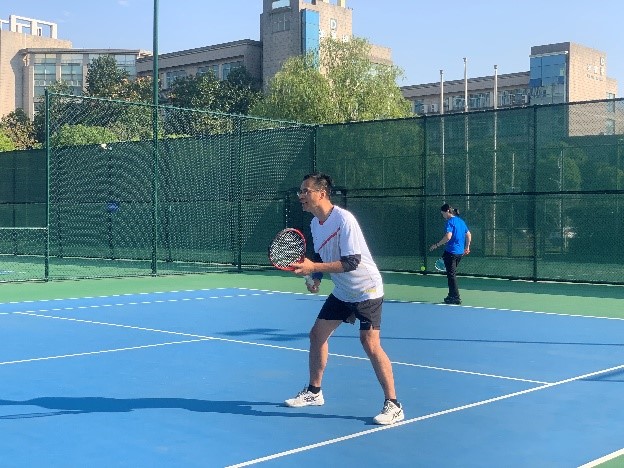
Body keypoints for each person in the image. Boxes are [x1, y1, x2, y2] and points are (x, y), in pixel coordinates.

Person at [284, 172, 404, 426]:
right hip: (342, 291)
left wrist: (313, 267)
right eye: (300, 191)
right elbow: (321, 254)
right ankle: (314, 392)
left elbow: (351, 262)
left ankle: (394, 405)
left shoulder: (344, 220)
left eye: (305, 191)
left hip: (366, 289)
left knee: (369, 343)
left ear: (321, 193)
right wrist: (316, 276)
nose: (301, 196)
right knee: (317, 335)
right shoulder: (315, 224)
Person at [429, 203, 471, 305]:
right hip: (459, 253)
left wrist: (436, 245)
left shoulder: (449, 222)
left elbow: (448, 236)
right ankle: (451, 295)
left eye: (442, 213)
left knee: (451, 275)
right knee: (451, 274)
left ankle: (455, 297)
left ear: (447, 211)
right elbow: (469, 235)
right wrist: (467, 247)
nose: (442, 215)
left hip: (452, 252)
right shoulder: (461, 221)